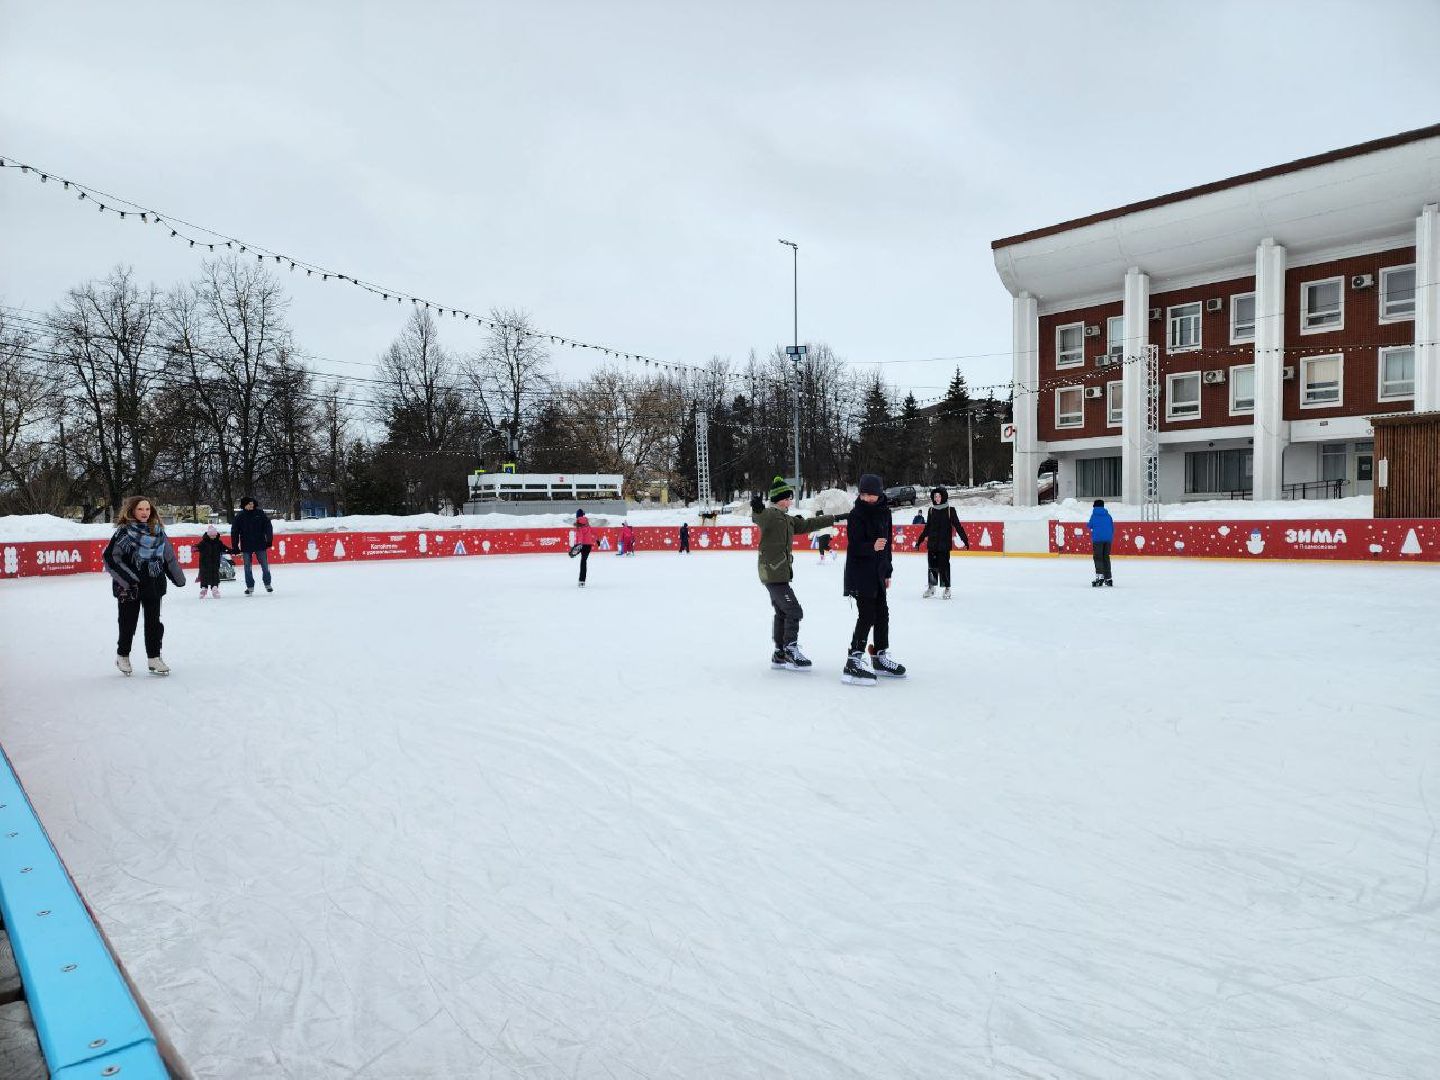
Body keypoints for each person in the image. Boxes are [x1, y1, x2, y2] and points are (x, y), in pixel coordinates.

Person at [750, 475, 838, 670]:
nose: (790, 501)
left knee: (782, 612)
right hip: (773, 573)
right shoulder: (771, 515)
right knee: (793, 610)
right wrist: (756, 509)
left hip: (779, 573)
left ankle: (780, 652)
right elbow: (760, 518)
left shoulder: (787, 519)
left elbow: (808, 525)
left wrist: (833, 518)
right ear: (780, 498)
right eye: (788, 498)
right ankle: (790, 650)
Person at [102, 495, 186, 675]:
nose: (144, 513)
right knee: (127, 623)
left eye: (147, 509)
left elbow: (168, 557)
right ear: (132, 510)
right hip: (129, 587)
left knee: (154, 624)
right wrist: (129, 580)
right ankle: (123, 655)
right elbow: (111, 558)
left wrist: (178, 578)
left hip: (154, 584)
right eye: (140, 509)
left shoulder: (158, 531)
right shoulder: (123, 533)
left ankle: (154, 658)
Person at [843, 474, 905, 684]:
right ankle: (854, 658)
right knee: (867, 615)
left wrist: (887, 571)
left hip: (878, 572)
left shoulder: (884, 513)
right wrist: (871, 546)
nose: (867, 498)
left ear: (879, 494)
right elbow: (853, 547)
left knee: (882, 615)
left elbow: (887, 547)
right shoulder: (856, 515)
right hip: (860, 572)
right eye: (864, 494)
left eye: (871, 494)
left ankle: (880, 655)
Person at [915, 486, 971, 599]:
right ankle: (931, 588)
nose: (937, 498)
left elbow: (958, 526)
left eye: (939, 496)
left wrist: (965, 540)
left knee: (944, 567)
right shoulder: (932, 510)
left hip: (944, 545)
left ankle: (947, 588)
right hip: (932, 544)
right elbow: (927, 528)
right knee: (932, 567)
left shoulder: (950, 510)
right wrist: (919, 541)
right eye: (935, 496)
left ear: (944, 497)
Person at [230, 496, 274, 595]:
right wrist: (235, 547)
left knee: (265, 566)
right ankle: (250, 587)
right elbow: (234, 532)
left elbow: (268, 526)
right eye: (249, 504)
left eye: (252, 503)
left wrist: (269, 539)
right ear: (244, 505)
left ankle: (268, 584)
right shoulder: (240, 516)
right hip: (246, 545)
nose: (252, 505)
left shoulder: (260, 513)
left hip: (260, 543)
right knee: (247, 567)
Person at [196, 524, 234, 598]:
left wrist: (231, 551)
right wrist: (195, 548)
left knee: (215, 576)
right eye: (212, 535)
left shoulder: (218, 542)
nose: (213, 537)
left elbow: (224, 548)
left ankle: (215, 588)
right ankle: (204, 588)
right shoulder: (203, 542)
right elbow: (197, 547)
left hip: (215, 563)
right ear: (208, 535)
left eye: (214, 535)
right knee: (204, 576)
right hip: (204, 563)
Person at [1088, 498, 1115, 587]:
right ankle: (1108, 578)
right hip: (1108, 539)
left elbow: (1089, 525)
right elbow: (1112, 527)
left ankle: (1100, 577)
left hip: (1098, 539)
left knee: (1098, 557)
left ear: (1094, 506)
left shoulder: (1094, 515)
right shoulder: (1108, 515)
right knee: (1106, 557)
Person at [574, 510, 596, 586]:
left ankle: (581, 581)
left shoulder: (578, 524)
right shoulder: (587, 524)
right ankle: (582, 581)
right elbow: (593, 532)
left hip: (581, 545)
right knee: (584, 562)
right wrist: (597, 539)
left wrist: (579, 544)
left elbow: (580, 535)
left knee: (582, 561)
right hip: (588, 545)